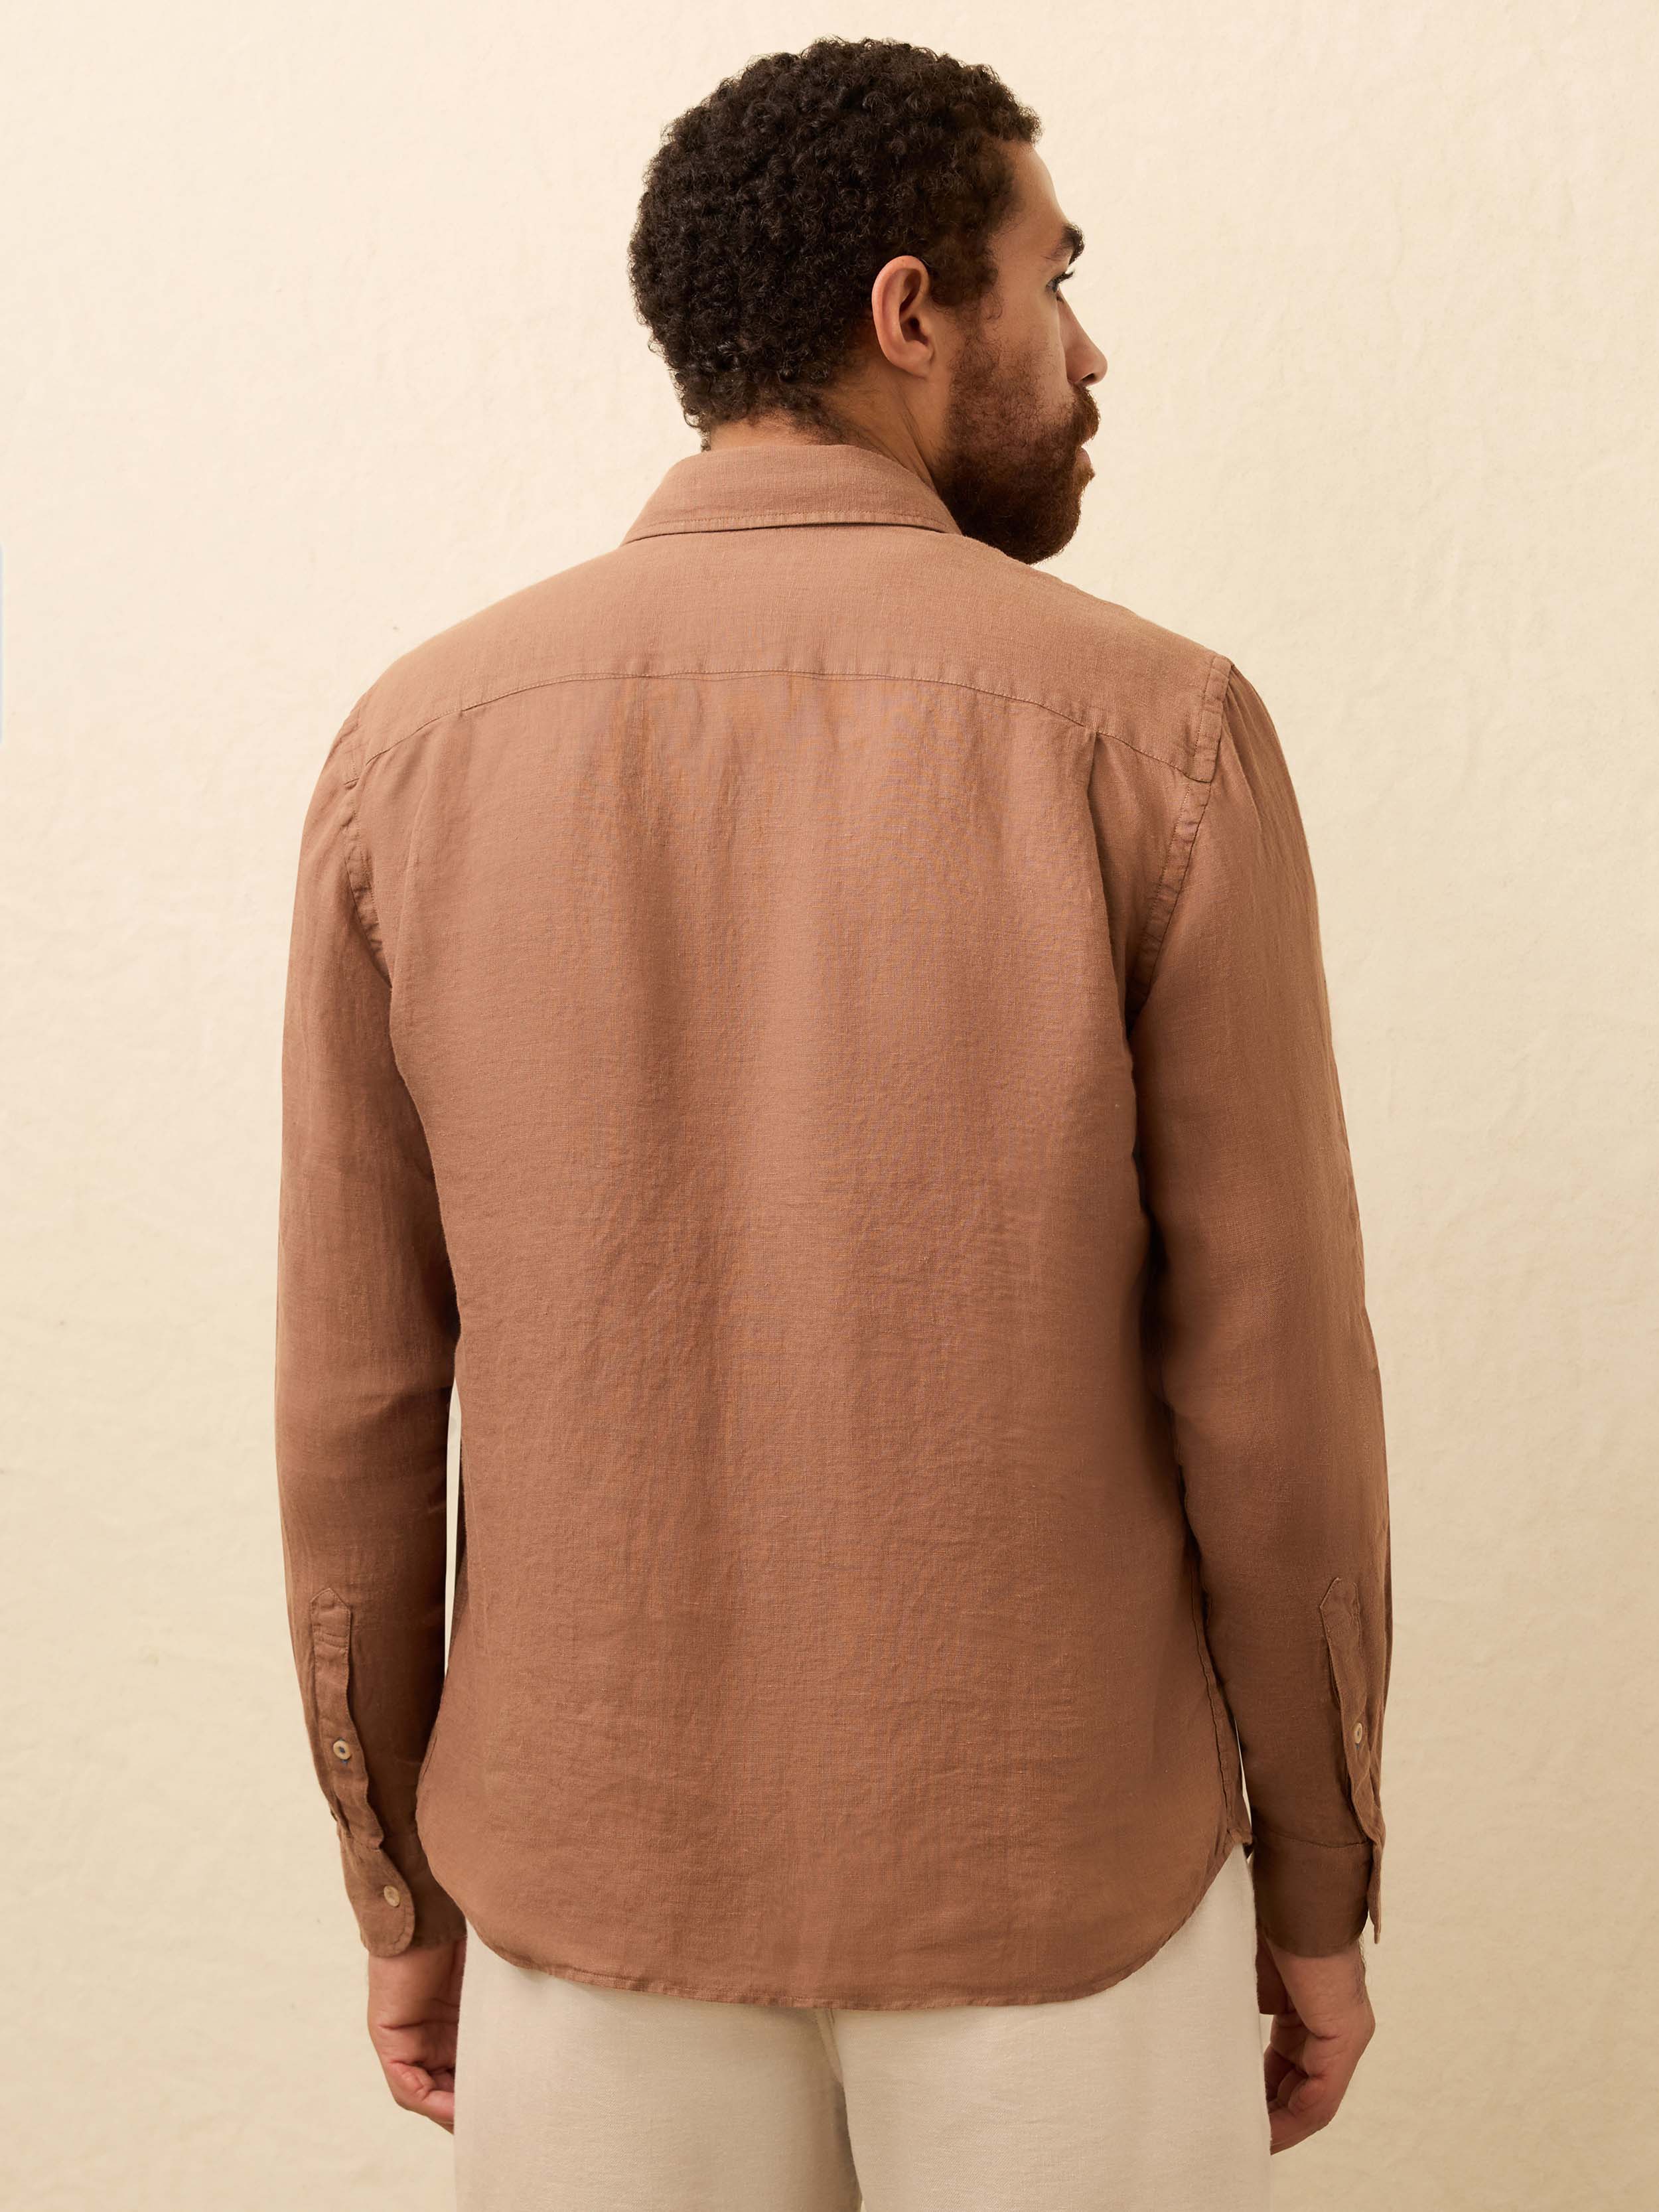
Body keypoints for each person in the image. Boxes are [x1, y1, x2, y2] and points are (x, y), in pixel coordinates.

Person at [274, 36, 1392, 2211]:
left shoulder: (416, 744)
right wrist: (1323, 1882)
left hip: (587, 1901)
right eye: (1045, 280)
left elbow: (355, 1400)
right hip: (1061, 1887)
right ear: (908, 313)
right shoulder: (1149, 729)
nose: (1085, 348)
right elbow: (1272, 1396)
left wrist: (399, 1886)